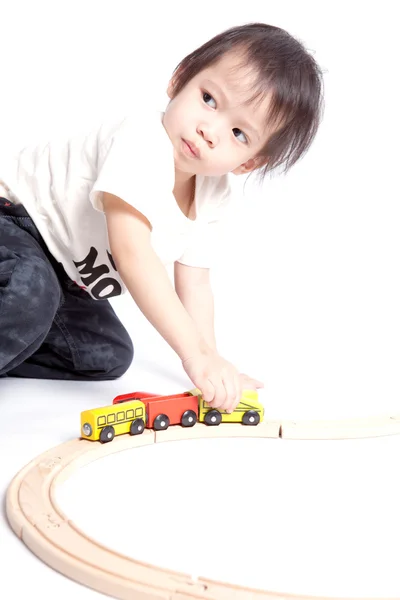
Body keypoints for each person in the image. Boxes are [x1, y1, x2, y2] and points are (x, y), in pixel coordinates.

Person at [0, 22, 324, 413]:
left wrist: (211, 362)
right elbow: (132, 252)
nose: (209, 130)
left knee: (105, 355)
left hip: (61, 275)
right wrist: (193, 354)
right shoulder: (142, 140)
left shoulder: (213, 198)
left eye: (239, 133)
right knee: (31, 293)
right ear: (180, 78)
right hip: (14, 223)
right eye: (209, 99)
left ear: (249, 162)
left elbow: (196, 285)